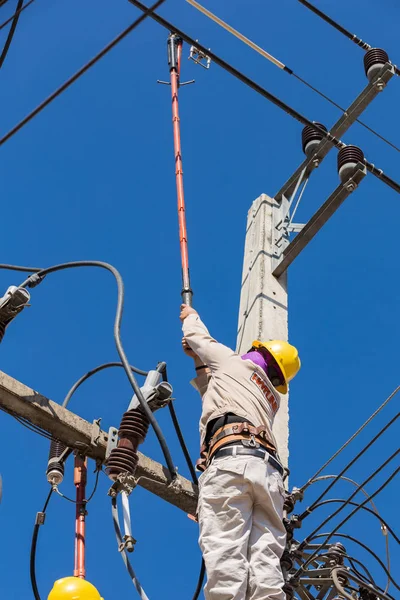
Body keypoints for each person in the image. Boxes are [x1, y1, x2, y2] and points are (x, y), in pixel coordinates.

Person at [180, 304, 301, 600]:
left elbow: (200, 339)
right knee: (266, 561)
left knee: (225, 552)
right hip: (269, 476)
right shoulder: (270, 398)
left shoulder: (234, 364)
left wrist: (190, 317)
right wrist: (198, 361)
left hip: (231, 463)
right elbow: (216, 392)